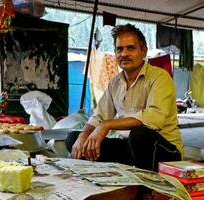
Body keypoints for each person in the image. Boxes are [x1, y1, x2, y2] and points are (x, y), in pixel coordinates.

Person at [65, 24, 182, 172]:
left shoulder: (159, 77)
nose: (124, 54)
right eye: (119, 49)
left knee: (139, 134)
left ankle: (146, 187)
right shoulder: (115, 82)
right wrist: (84, 135)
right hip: (130, 149)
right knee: (74, 139)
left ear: (144, 51)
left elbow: (155, 118)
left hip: (164, 151)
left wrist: (107, 125)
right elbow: (98, 117)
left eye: (130, 48)